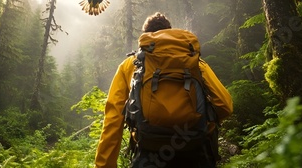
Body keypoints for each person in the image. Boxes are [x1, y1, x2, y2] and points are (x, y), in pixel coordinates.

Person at [94, 12, 233, 168]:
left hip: (149, 154)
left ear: (146, 37)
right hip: (195, 151)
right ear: (170, 33)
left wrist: (104, 165)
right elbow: (225, 105)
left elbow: (113, 119)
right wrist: (198, 126)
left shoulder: (130, 65)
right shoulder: (194, 63)